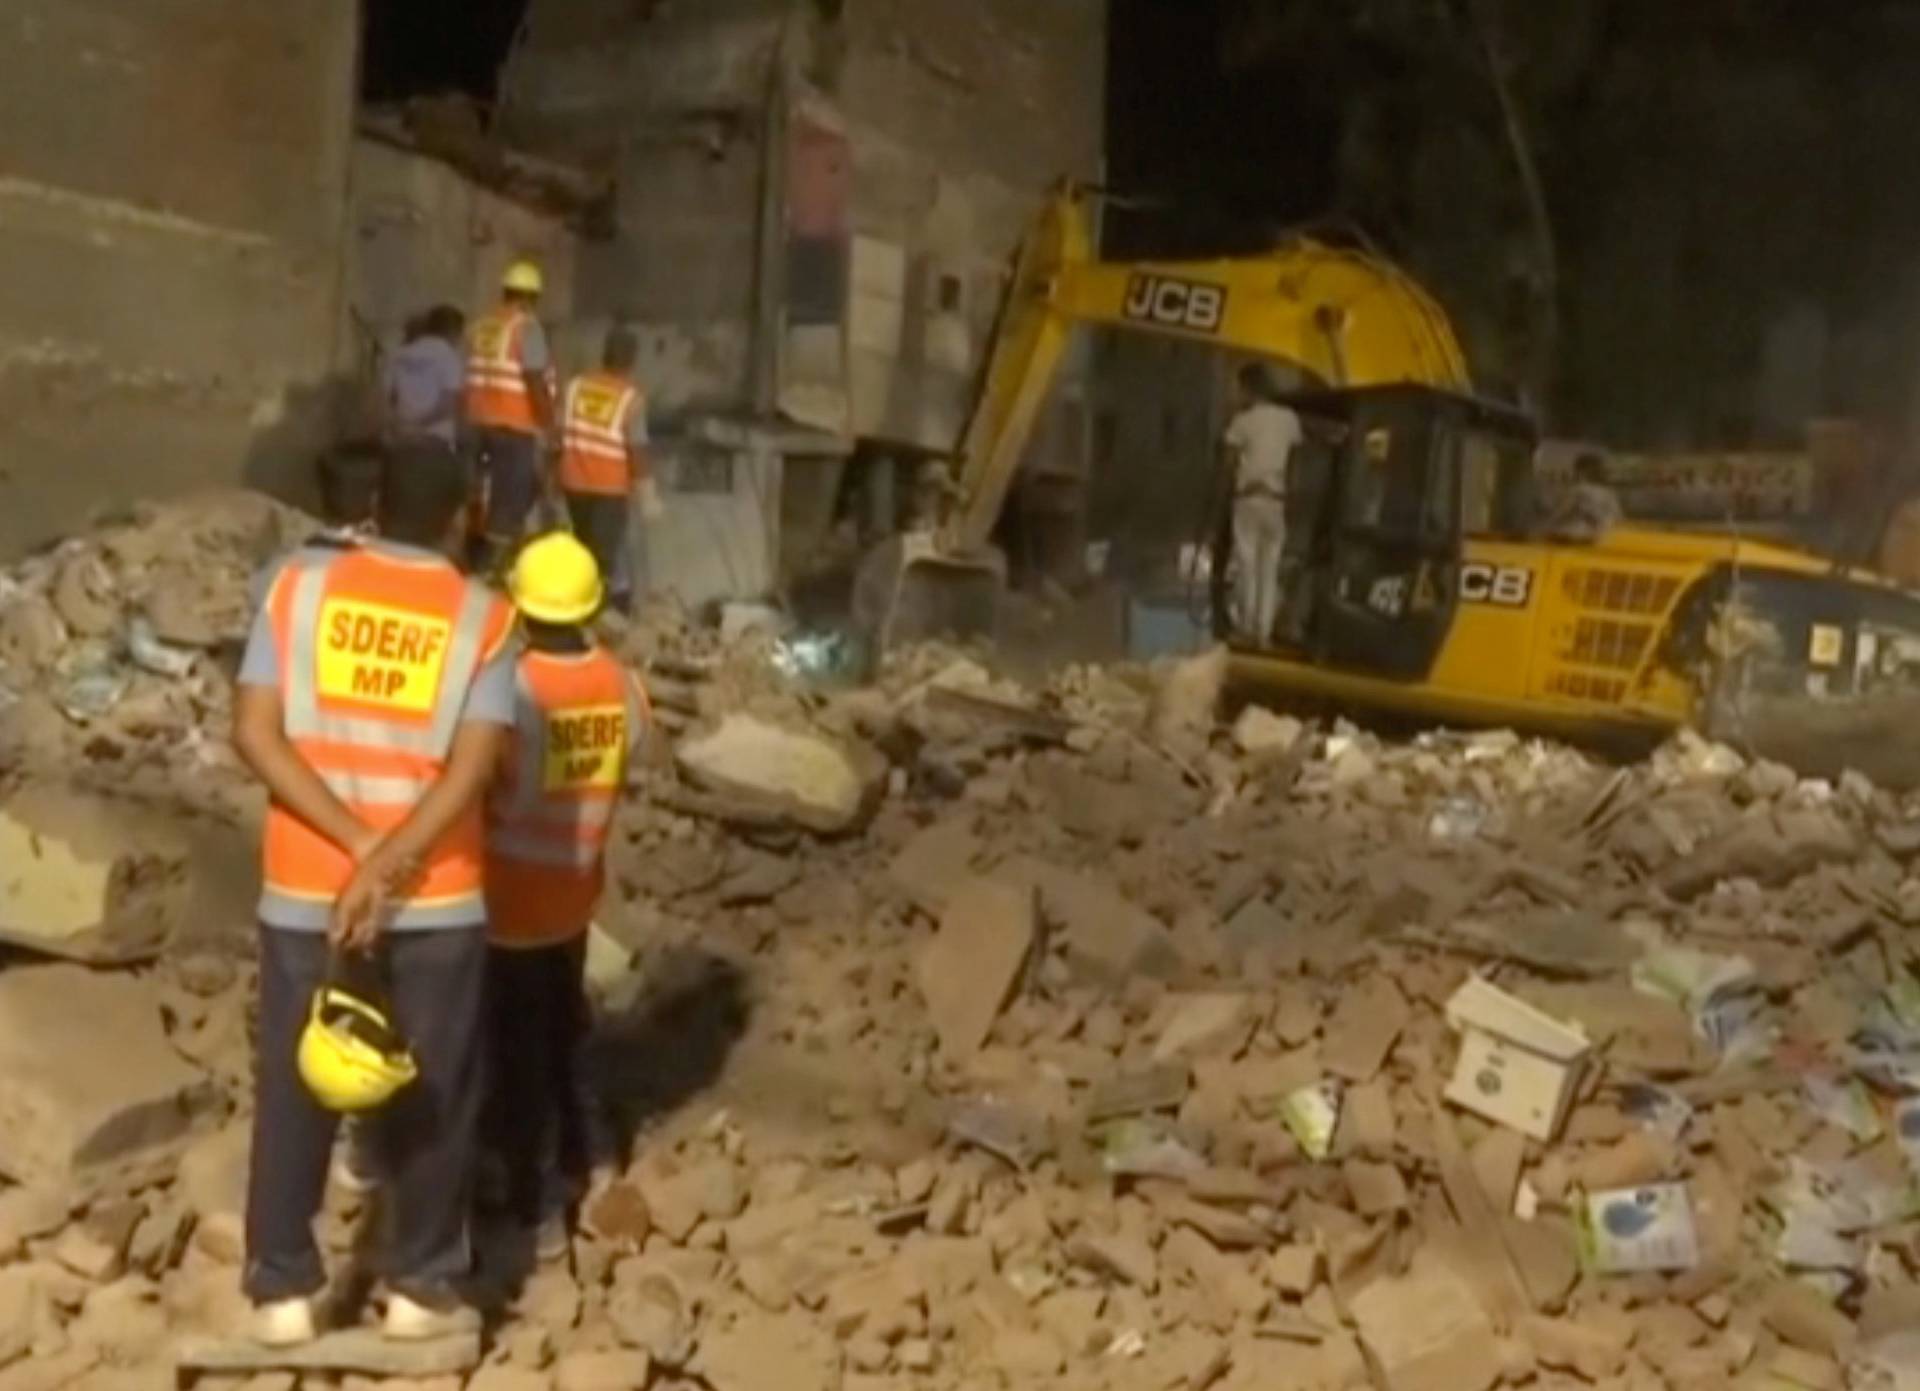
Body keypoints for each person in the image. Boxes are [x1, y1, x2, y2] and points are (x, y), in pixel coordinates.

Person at [232, 446, 517, 1346]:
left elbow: (253, 733)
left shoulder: (294, 590)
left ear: (371, 506)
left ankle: (281, 1289)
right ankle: (420, 1287)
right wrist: (389, 861)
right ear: (462, 517)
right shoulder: (486, 620)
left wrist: (355, 849)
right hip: (434, 896)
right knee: (433, 1085)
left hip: (306, 885)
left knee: (295, 1076)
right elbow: (472, 771)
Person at [482, 532, 649, 1258]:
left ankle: (531, 1193)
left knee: (511, 1048)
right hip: (574, 892)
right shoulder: (623, 685)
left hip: (505, 900)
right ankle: (591, 1156)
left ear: (519, 604)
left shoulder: (510, 690)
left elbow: (478, 779)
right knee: (565, 1026)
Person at [557, 327, 663, 614]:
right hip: (608, 488)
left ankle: (583, 604)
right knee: (603, 557)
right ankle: (596, 613)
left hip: (573, 482)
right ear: (631, 359)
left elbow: (558, 434)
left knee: (583, 548)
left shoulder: (576, 386)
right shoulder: (631, 397)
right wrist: (648, 492)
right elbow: (636, 448)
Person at [466, 261, 556, 567]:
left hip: (477, 420)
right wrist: (548, 424)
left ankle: (471, 550)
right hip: (513, 424)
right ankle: (492, 564)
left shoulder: (482, 325)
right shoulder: (526, 327)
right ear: (532, 297)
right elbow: (533, 379)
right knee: (510, 496)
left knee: (477, 489)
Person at [1223, 362, 1303, 644]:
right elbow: (1295, 461)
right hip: (1276, 501)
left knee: (1246, 564)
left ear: (1249, 388)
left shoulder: (1242, 422)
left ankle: (1246, 627)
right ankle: (1263, 632)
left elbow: (1229, 461)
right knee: (1269, 568)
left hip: (1248, 499)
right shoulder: (1289, 420)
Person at [385, 305, 466, 472]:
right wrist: (419, 427)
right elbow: (448, 406)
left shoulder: (397, 354)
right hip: (435, 441)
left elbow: (386, 398)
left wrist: (401, 425)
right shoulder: (449, 357)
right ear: (454, 332)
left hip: (401, 438)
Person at [1549, 451, 1623, 542]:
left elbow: (1560, 513)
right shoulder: (1609, 494)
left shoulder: (1578, 492)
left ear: (1581, 472)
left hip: (1575, 538)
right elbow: (1618, 519)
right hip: (1602, 539)